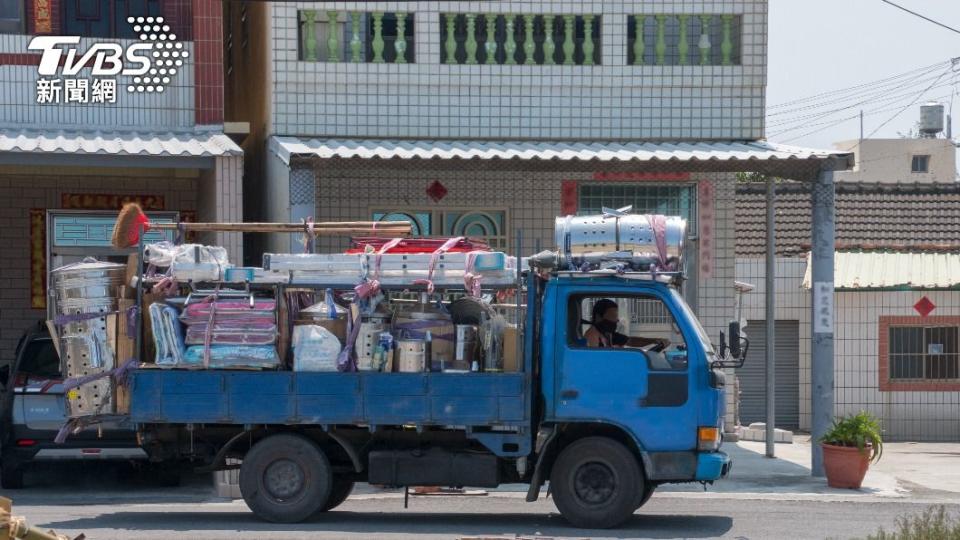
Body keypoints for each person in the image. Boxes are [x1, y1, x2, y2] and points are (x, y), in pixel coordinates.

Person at [584, 299, 670, 350]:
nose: (617, 320)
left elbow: (631, 341)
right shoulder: (592, 335)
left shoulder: (608, 334)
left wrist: (654, 341)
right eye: (613, 316)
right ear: (599, 317)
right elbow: (596, 362)